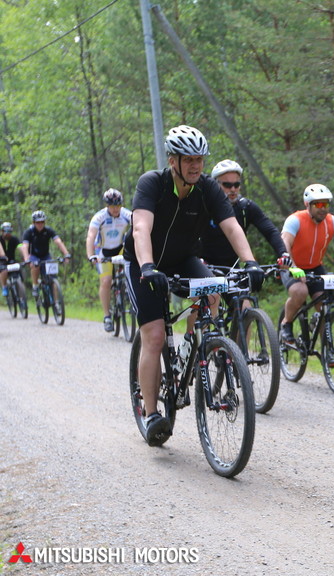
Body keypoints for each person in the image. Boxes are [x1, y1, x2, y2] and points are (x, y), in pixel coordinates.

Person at [124, 125, 264, 446]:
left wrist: (251, 261)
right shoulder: (153, 184)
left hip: (182, 259)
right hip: (144, 264)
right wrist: (147, 266)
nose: (196, 166)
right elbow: (141, 228)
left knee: (212, 290)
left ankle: (192, 348)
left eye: (199, 159)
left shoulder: (208, 190)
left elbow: (231, 226)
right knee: (155, 335)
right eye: (189, 159)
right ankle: (150, 413)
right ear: (173, 160)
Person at [278, 184, 334, 344]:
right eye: (318, 204)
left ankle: (326, 349)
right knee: (300, 291)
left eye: (325, 204)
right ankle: (286, 323)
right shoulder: (295, 220)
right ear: (308, 205)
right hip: (291, 264)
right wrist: (292, 267)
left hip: (314, 266)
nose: (323, 209)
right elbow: (285, 243)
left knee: (324, 302)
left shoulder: (333, 222)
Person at [201, 159, 289, 301]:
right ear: (215, 185)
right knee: (210, 303)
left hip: (232, 266)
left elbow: (270, 231)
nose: (233, 189)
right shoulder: (205, 206)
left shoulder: (245, 207)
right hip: (204, 265)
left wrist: (283, 253)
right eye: (227, 185)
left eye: (236, 185)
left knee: (244, 307)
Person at [86, 189, 133, 331]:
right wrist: (91, 255)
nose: (115, 209)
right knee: (106, 281)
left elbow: (140, 226)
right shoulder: (99, 217)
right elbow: (91, 236)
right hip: (103, 250)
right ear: (107, 206)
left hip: (120, 248)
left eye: (118, 205)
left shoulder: (126, 214)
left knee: (132, 271)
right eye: (112, 206)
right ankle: (107, 316)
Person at [20, 210, 72, 296]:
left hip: (45, 255)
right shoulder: (29, 232)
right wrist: (27, 259)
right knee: (35, 266)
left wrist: (66, 254)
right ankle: (35, 286)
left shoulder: (48, 230)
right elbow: (25, 246)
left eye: (42, 222)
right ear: (33, 223)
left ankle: (56, 304)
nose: (40, 224)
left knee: (53, 278)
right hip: (34, 255)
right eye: (38, 222)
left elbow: (58, 242)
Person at [0, 222, 15, 297]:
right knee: (4, 270)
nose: (7, 233)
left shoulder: (14, 239)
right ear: (2, 231)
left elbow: (21, 246)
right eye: (6, 231)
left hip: (12, 261)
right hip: (1, 262)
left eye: (9, 231)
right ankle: (4, 287)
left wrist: (26, 257)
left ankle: (19, 285)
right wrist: (3, 256)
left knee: (19, 269)